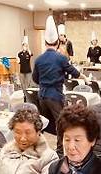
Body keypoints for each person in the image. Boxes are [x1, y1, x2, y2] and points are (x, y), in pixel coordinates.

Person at [32, 16, 82, 153]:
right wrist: (84, 77)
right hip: (55, 96)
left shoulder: (39, 59)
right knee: (61, 124)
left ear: (45, 42)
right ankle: (60, 151)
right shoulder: (60, 58)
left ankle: (41, 149)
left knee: (44, 124)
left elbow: (35, 78)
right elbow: (73, 72)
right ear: (57, 43)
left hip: (42, 96)